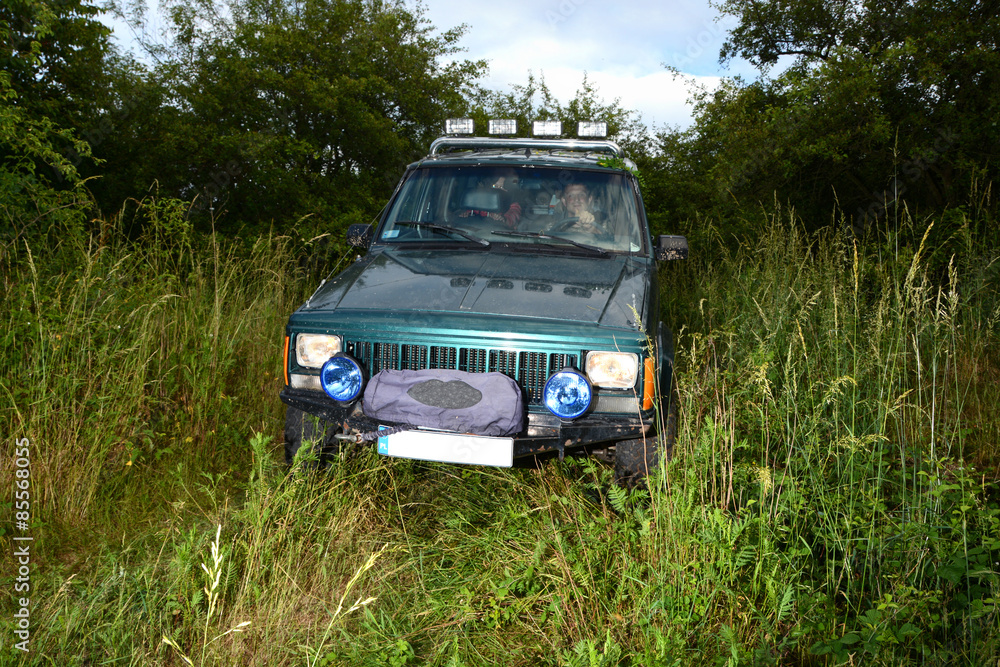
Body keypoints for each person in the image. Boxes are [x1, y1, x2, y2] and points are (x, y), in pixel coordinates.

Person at [457, 169, 523, 229]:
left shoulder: (513, 205)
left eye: (504, 186)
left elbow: (512, 217)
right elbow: (464, 213)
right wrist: (464, 214)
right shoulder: (477, 202)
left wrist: (503, 219)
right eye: (495, 186)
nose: (499, 189)